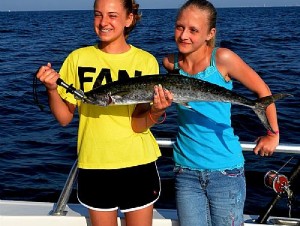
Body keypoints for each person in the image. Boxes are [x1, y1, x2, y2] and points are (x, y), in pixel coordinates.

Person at [36, 0, 173, 225]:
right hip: (94, 164)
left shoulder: (145, 61)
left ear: (129, 19)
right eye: (98, 15)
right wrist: (52, 89)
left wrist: (156, 111)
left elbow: (138, 124)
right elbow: (64, 118)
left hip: (137, 163)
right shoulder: (77, 58)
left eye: (112, 15)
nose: (103, 22)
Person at [162, 0, 280, 225]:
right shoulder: (170, 63)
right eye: (180, 27)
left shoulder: (222, 59)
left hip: (226, 172)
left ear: (210, 33)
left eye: (193, 30)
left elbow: (262, 90)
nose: (184, 35)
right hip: (185, 172)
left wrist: (273, 133)